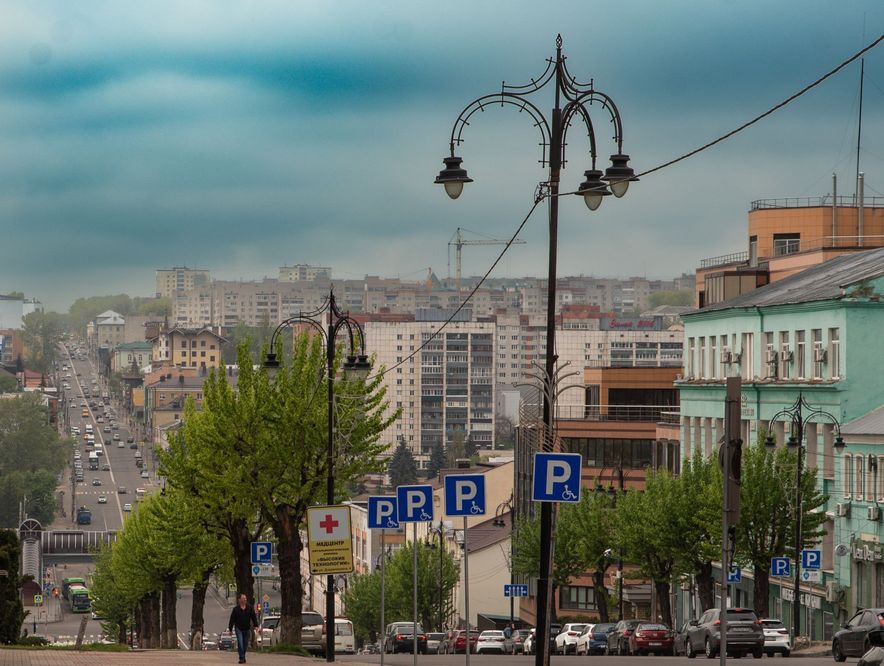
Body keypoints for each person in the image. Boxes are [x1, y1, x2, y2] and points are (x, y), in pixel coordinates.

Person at [228, 593, 258, 664]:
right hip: (238, 628)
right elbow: (232, 620)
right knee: (240, 643)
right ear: (239, 600)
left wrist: (256, 626)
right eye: (243, 598)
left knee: (245, 644)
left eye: (245, 599)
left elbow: (253, 617)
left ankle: (243, 656)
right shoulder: (236, 609)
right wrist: (230, 629)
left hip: (247, 628)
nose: (245, 600)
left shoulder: (250, 608)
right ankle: (241, 658)